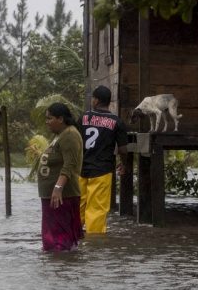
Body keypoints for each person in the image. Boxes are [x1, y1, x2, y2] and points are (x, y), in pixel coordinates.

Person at [78, 85, 129, 234]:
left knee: (78, 205)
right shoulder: (116, 121)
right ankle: (95, 246)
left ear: (96, 100)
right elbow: (122, 149)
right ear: (109, 101)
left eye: (92, 98)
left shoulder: (83, 118)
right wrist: (123, 164)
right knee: (96, 210)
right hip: (102, 171)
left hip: (81, 169)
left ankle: (73, 241)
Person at [37, 102, 84, 252]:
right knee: (53, 239)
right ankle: (60, 268)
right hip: (53, 197)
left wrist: (57, 188)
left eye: (50, 118)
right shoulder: (61, 135)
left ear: (61, 119)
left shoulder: (70, 135)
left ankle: (62, 271)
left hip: (63, 196)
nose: (47, 122)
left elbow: (69, 165)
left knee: (60, 241)